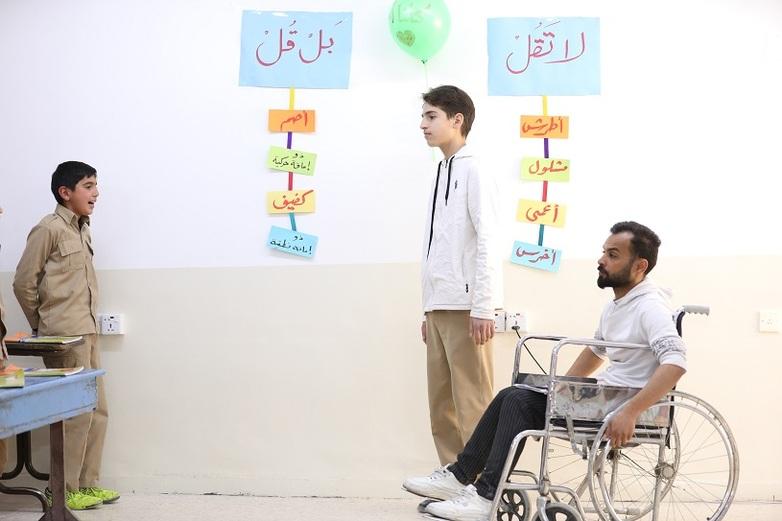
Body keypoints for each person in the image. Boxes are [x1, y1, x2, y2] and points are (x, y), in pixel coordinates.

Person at [403, 221, 687, 521]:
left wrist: (631, 412)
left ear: (640, 265)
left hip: (625, 404)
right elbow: (595, 351)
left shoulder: (650, 307)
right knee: (511, 395)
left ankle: (486, 496)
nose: (601, 260)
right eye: (604, 252)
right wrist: (561, 390)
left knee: (518, 402)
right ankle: (461, 476)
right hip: (605, 396)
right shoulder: (617, 306)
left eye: (613, 255)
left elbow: (676, 362)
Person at [13, 162, 118, 510]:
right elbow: (23, 283)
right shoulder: (48, 229)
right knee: (74, 416)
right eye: (88, 186)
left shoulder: (82, 229)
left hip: (87, 331)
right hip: (63, 337)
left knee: (97, 411)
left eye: (96, 186)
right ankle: (63, 489)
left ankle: (87, 483)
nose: (96, 193)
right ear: (65, 192)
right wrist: (43, 326)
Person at [418, 85, 503, 466]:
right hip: (439, 305)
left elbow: (488, 239)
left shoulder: (475, 169)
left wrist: (484, 306)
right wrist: (427, 308)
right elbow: (436, 244)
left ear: (458, 120)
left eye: (431, 116)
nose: (423, 124)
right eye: (423, 116)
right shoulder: (442, 169)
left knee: (473, 402)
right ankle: (453, 478)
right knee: (441, 406)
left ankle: (483, 485)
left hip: (468, 306)